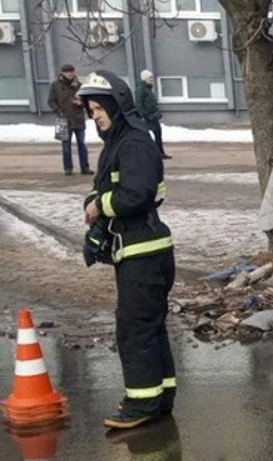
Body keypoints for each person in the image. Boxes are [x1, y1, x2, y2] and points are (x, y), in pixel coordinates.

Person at [78, 70, 175, 431]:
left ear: (117, 105)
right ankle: (160, 398)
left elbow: (138, 194)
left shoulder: (133, 142)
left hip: (144, 253)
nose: (95, 116)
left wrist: (101, 205)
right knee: (150, 328)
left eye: (99, 108)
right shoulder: (118, 144)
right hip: (137, 250)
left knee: (135, 329)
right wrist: (96, 200)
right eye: (90, 110)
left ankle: (141, 404)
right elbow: (104, 187)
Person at [49, 63, 91, 176]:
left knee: (81, 144)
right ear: (62, 73)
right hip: (63, 119)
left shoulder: (79, 85)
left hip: (78, 118)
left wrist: (81, 103)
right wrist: (58, 111)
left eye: (72, 71)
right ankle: (68, 168)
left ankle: (85, 167)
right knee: (66, 145)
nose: (70, 74)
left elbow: (86, 101)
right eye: (68, 72)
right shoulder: (55, 85)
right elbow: (51, 101)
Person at [135, 70, 171, 160]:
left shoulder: (148, 88)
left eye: (151, 77)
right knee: (147, 136)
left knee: (158, 133)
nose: (152, 79)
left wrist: (157, 112)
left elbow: (151, 103)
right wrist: (144, 115)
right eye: (150, 78)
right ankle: (147, 154)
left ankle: (160, 153)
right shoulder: (141, 89)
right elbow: (139, 104)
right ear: (144, 79)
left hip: (153, 116)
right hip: (147, 117)